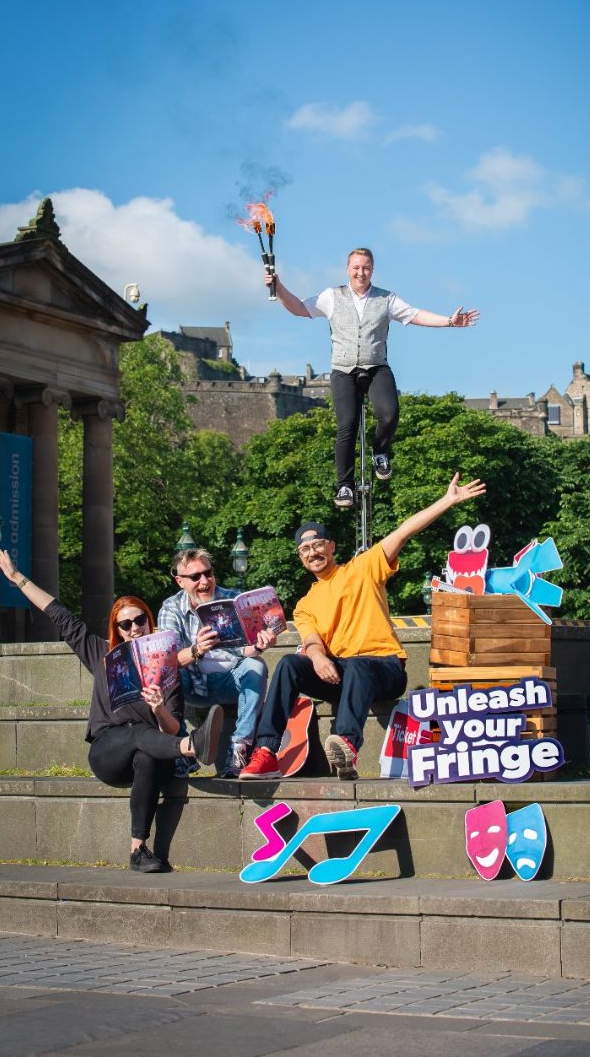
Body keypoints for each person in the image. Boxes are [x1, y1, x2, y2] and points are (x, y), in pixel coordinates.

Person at [240, 471, 487, 780]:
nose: (312, 553)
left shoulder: (362, 569)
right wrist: (317, 657)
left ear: (331, 546)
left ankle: (346, 744)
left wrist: (447, 501)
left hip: (385, 669)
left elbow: (402, 532)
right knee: (291, 663)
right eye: (305, 550)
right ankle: (266, 753)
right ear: (300, 557)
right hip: (341, 675)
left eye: (317, 545)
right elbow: (312, 640)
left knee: (357, 665)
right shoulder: (304, 604)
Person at [0, 548, 223, 874]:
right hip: (108, 753)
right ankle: (191, 747)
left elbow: (170, 728)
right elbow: (59, 614)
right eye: (125, 624)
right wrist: (17, 579)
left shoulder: (167, 671)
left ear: (148, 620)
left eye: (139, 620)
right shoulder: (101, 653)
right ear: (117, 629)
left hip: (148, 756)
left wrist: (158, 708)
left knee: (147, 753)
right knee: (136, 733)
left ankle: (138, 850)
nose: (133, 628)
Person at [266, 249, 479, 507]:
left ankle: (380, 452)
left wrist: (449, 321)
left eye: (365, 268)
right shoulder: (332, 296)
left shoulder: (386, 299)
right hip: (344, 370)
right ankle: (345, 485)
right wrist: (278, 288)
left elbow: (415, 315)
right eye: (356, 267)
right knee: (347, 425)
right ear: (348, 269)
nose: (360, 273)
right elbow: (299, 308)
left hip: (376, 366)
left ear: (372, 270)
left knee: (389, 413)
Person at [157, 547, 277, 777]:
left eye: (208, 573)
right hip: (192, 685)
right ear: (180, 581)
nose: (204, 581)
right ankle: (182, 752)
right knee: (170, 672)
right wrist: (196, 649)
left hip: (230, 680)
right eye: (195, 577)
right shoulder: (171, 608)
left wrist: (260, 644)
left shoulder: (232, 599)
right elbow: (168, 660)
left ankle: (239, 750)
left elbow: (246, 649)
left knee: (257, 665)